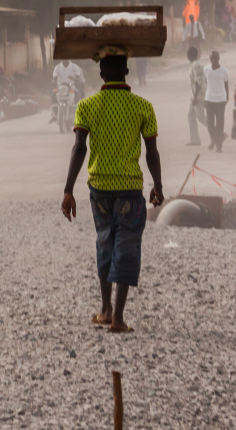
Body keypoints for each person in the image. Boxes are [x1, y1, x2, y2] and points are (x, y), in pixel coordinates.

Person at [61, 53, 163, 334]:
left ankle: (105, 310)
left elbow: (79, 148)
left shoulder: (87, 106)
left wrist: (68, 190)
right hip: (130, 188)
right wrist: (158, 185)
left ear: (101, 73)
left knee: (105, 242)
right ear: (127, 71)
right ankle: (118, 318)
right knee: (126, 247)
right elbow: (151, 151)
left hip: (100, 188)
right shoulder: (143, 107)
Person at [203, 51, 231, 152]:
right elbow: (207, 83)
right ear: (210, 59)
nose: (214, 60)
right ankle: (215, 139)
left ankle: (218, 145)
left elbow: (226, 86)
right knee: (209, 124)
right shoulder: (206, 69)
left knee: (220, 123)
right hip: (209, 99)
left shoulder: (224, 71)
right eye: (212, 58)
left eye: (216, 58)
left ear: (219, 58)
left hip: (220, 100)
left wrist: (226, 98)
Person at [51, 58, 86, 123]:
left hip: (72, 88)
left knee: (78, 93)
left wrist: (73, 78)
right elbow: (55, 77)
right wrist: (54, 80)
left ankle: (79, 112)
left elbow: (78, 79)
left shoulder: (75, 67)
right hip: (60, 88)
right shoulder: (57, 67)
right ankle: (54, 113)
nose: (65, 59)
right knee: (53, 92)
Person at [186, 46, 205, 147]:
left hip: (198, 96)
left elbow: (199, 82)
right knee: (191, 116)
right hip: (195, 95)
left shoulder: (196, 65)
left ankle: (217, 132)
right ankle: (195, 140)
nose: (187, 56)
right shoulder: (195, 64)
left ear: (191, 54)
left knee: (201, 117)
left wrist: (196, 97)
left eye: (188, 54)